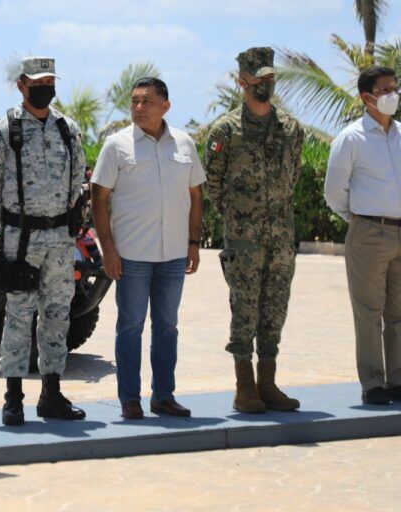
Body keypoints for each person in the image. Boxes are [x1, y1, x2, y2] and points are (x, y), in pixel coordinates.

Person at [0, 56, 87, 426]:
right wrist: (3, 227)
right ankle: (13, 398)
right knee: (19, 315)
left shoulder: (67, 128)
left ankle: (51, 395)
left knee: (58, 316)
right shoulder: (5, 129)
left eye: (50, 82)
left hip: (60, 238)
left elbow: (77, 181)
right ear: (22, 85)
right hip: (20, 239)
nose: (45, 88)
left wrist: (70, 225)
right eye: (38, 82)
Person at [91, 77, 205, 419]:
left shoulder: (184, 144)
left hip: (173, 255)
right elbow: (99, 199)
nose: (139, 108)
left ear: (165, 106)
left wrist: (194, 243)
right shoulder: (116, 145)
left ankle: (163, 397)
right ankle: (129, 399)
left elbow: (196, 195)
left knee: (167, 327)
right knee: (130, 326)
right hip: (131, 256)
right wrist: (108, 249)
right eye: (135, 102)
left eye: (147, 101)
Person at [203, 47, 304, 414]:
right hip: (243, 238)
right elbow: (213, 183)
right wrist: (239, 218)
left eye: (269, 78)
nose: (264, 85)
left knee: (275, 310)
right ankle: (244, 386)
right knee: (244, 309)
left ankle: (268, 382)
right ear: (241, 81)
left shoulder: (291, 128)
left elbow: (293, 176)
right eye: (257, 79)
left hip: (280, 236)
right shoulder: (225, 130)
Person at [324, 66, 401, 405]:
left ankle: (398, 379)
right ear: (367, 97)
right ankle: (373, 383)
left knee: (398, 312)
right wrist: (359, 219)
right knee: (368, 311)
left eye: (395, 88)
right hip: (369, 231)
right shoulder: (351, 138)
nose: (392, 95)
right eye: (385, 90)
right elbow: (333, 191)